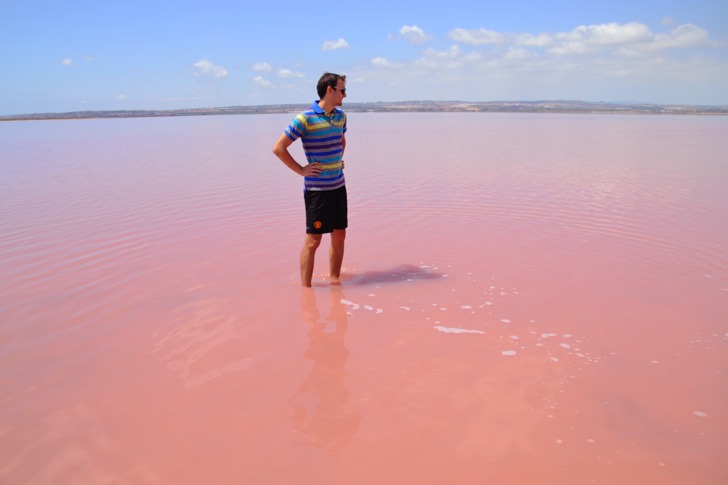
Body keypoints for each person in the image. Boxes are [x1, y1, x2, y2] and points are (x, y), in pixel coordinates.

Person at [272, 72, 348, 287]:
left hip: (339, 186)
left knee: (339, 235)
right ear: (330, 90)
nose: (345, 95)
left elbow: (341, 141)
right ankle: (306, 290)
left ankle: (335, 281)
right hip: (318, 191)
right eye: (342, 90)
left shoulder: (341, 116)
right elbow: (279, 148)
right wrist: (301, 170)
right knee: (314, 240)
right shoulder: (305, 118)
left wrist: (336, 160)